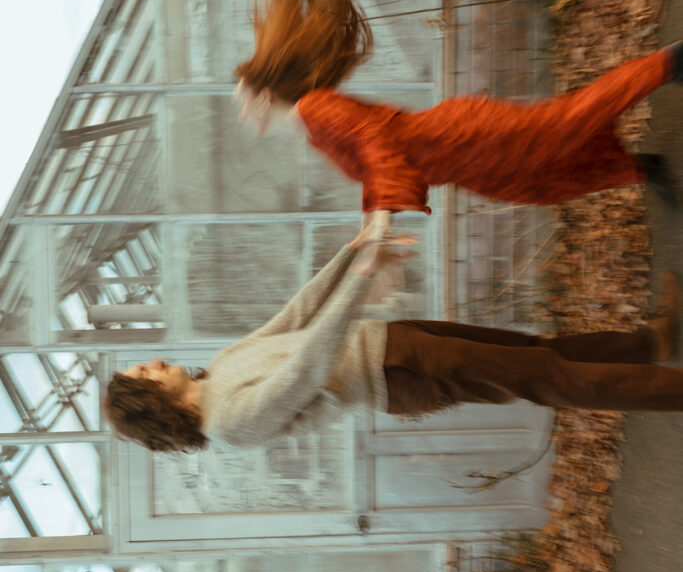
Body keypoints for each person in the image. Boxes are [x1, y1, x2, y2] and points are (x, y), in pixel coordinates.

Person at [104, 226, 683, 454]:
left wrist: (350, 253)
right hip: (399, 375)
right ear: (154, 405)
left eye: (145, 365)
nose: (155, 362)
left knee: (536, 353)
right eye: (145, 375)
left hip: (393, 341)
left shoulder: (220, 368)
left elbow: (294, 317)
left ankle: (650, 346)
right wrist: (360, 283)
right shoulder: (230, 422)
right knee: (552, 380)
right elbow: (306, 369)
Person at [234, 0, 682, 237]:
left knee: (569, 122)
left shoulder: (315, 109)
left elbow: (377, 143)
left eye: (241, 100)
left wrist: (382, 218)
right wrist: (372, 222)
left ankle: (668, 63)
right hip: (465, 164)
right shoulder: (311, 128)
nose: (240, 112)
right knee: (542, 186)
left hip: (466, 134)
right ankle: (641, 169)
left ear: (262, 96)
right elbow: (379, 164)